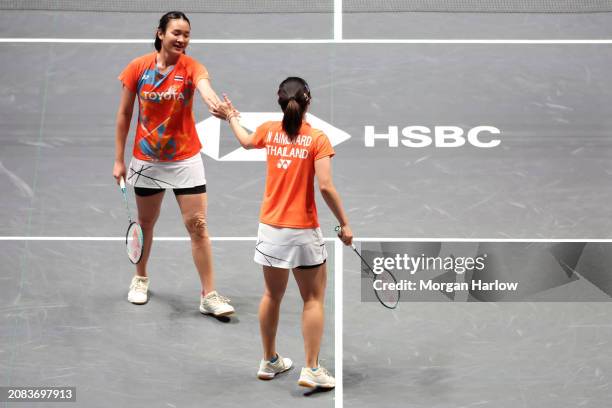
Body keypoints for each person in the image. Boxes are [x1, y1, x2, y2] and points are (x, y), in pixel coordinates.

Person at [217, 77, 353, 388]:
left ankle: (269, 360)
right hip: (303, 233)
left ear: (280, 101)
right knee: (313, 299)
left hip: (270, 230)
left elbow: (245, 141)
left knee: (271, 295)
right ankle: (312, 369)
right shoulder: (318, 139)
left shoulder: (269, 130)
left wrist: (231, 117)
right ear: (309, 102)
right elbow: (326, 186)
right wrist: (345, 223)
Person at [112, 11, 234, 316]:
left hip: (185, 159)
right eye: (176, 33)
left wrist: (215, 105)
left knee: (198, 227)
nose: (182, 39)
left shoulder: (192, 67)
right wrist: (118, 159)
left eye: (187, 35)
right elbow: (125, 114)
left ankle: (209, 294)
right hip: (147, 160)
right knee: (147, 224)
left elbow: (204, 89)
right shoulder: (137, 68)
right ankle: (140, 278)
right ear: (160, 33)